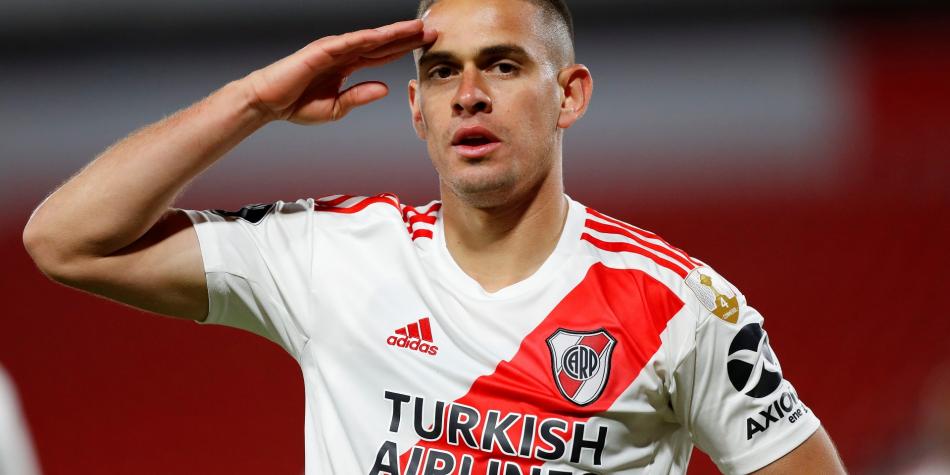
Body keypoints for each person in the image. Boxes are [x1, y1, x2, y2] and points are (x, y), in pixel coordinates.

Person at [21, 0, 848, 473]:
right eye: (443, 70)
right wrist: (254, 102)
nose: (469, 93)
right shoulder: (332, 253)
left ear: (569, 95)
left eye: (503, 64)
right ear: (417, 109)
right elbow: (65, 241)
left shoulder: (678, 307)